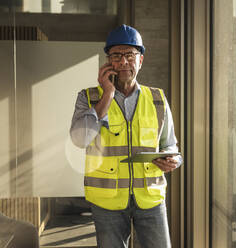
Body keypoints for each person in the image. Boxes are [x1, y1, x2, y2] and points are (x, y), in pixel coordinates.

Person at [70, 24, 182, 248]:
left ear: (140, 60)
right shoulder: (89, 97)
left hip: (150, 198)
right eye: (116, 55)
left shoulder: (157, 98)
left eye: (130, 55)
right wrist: (107, 96)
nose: (123, 62)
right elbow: (79, 140)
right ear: (107, 61)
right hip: (107, 201)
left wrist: (173, 160)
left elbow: (170, 145)